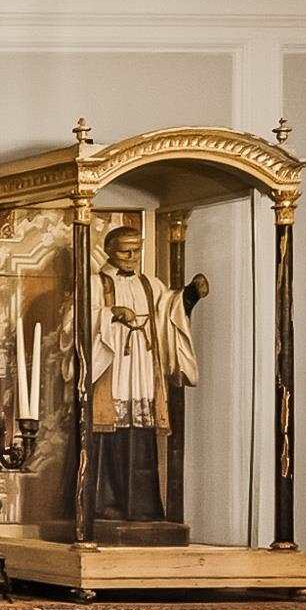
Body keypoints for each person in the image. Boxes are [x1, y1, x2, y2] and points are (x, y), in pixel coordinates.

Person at [87, 224, 200, 527]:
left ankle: (144, 507)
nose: (132, 255)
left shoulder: (151, 284)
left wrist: (188, 296)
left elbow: (168, 314)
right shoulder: (95, 284)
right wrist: (110, 314)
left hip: (143, 366)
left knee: (142, 438)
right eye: (126, 249)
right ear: (110, 249)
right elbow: (76, 318)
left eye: (137, 249)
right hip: (112, 367)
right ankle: (106, 505)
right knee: (108, 434)